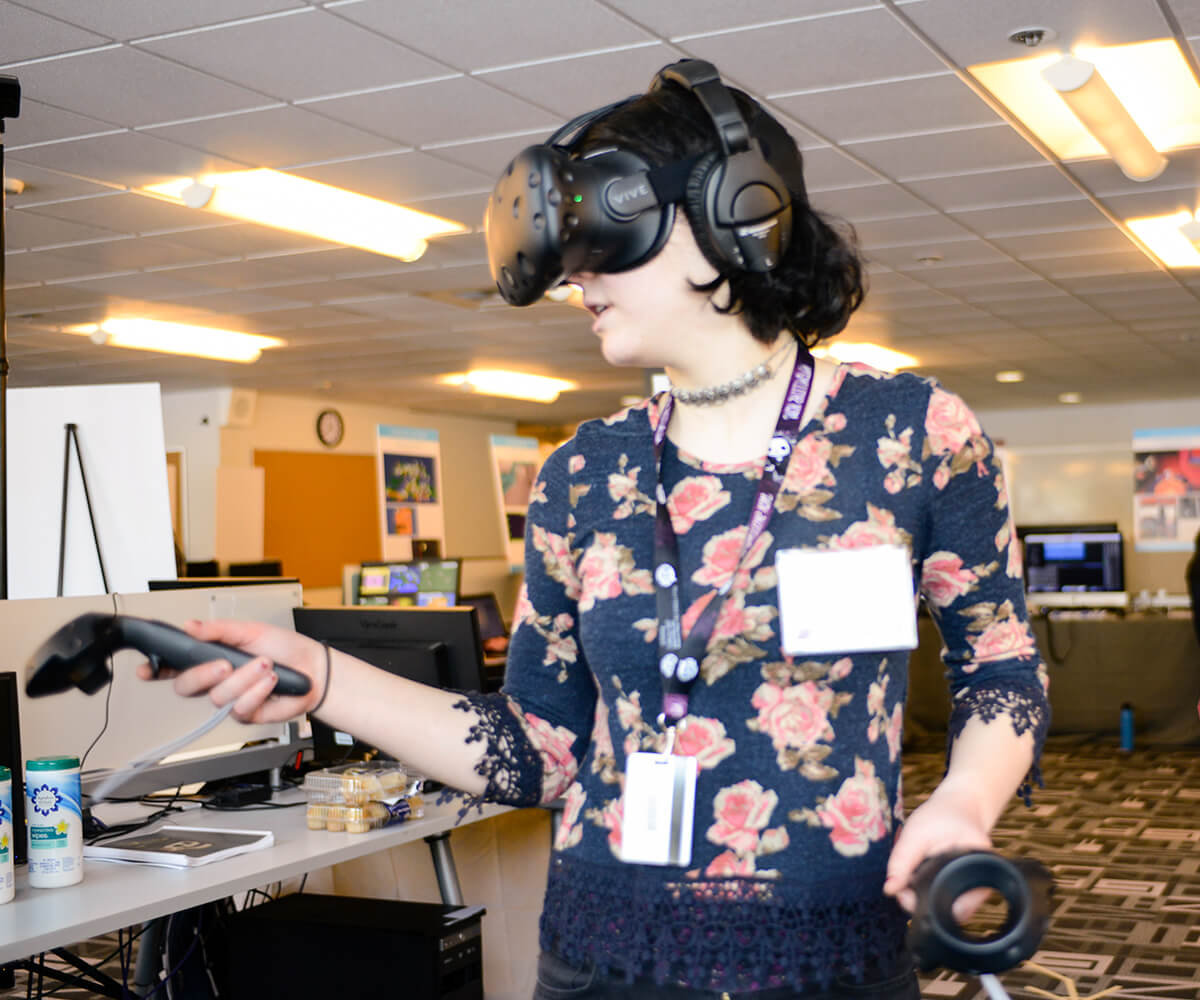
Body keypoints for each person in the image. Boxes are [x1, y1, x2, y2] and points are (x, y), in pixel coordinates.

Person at [142, 60, 1050, 999]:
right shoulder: (584, 471)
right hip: (603, 954)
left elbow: (1002, 667)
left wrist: (962, 803)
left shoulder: (913, 433)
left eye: (606, 238)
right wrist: (318, 676)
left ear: (730, 215)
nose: (576, 278)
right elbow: (541, 746)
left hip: (833, 953)